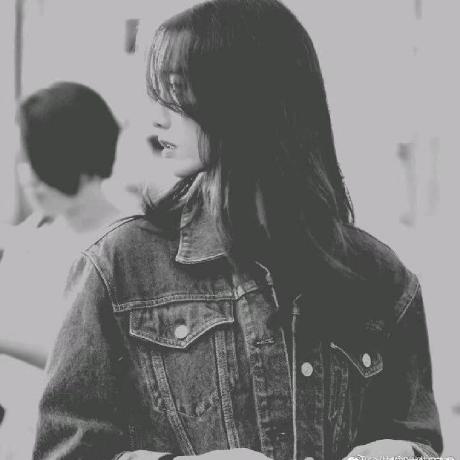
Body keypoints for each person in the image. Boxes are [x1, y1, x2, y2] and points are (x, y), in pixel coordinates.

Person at [33, 1, 442, 459]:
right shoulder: (118, 267)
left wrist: (395, 454)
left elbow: (421, 440)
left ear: (244, 98)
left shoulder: (381, 277)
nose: (158, 119)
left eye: (178, 93)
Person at [0, 81, 122, 460]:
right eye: (22, 161)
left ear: (74, 158)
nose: (27, 177)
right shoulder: (33, 231)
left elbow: (92, 362)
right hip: (16, 432)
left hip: (75, 443)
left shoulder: (122, 244)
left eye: (37, 161)